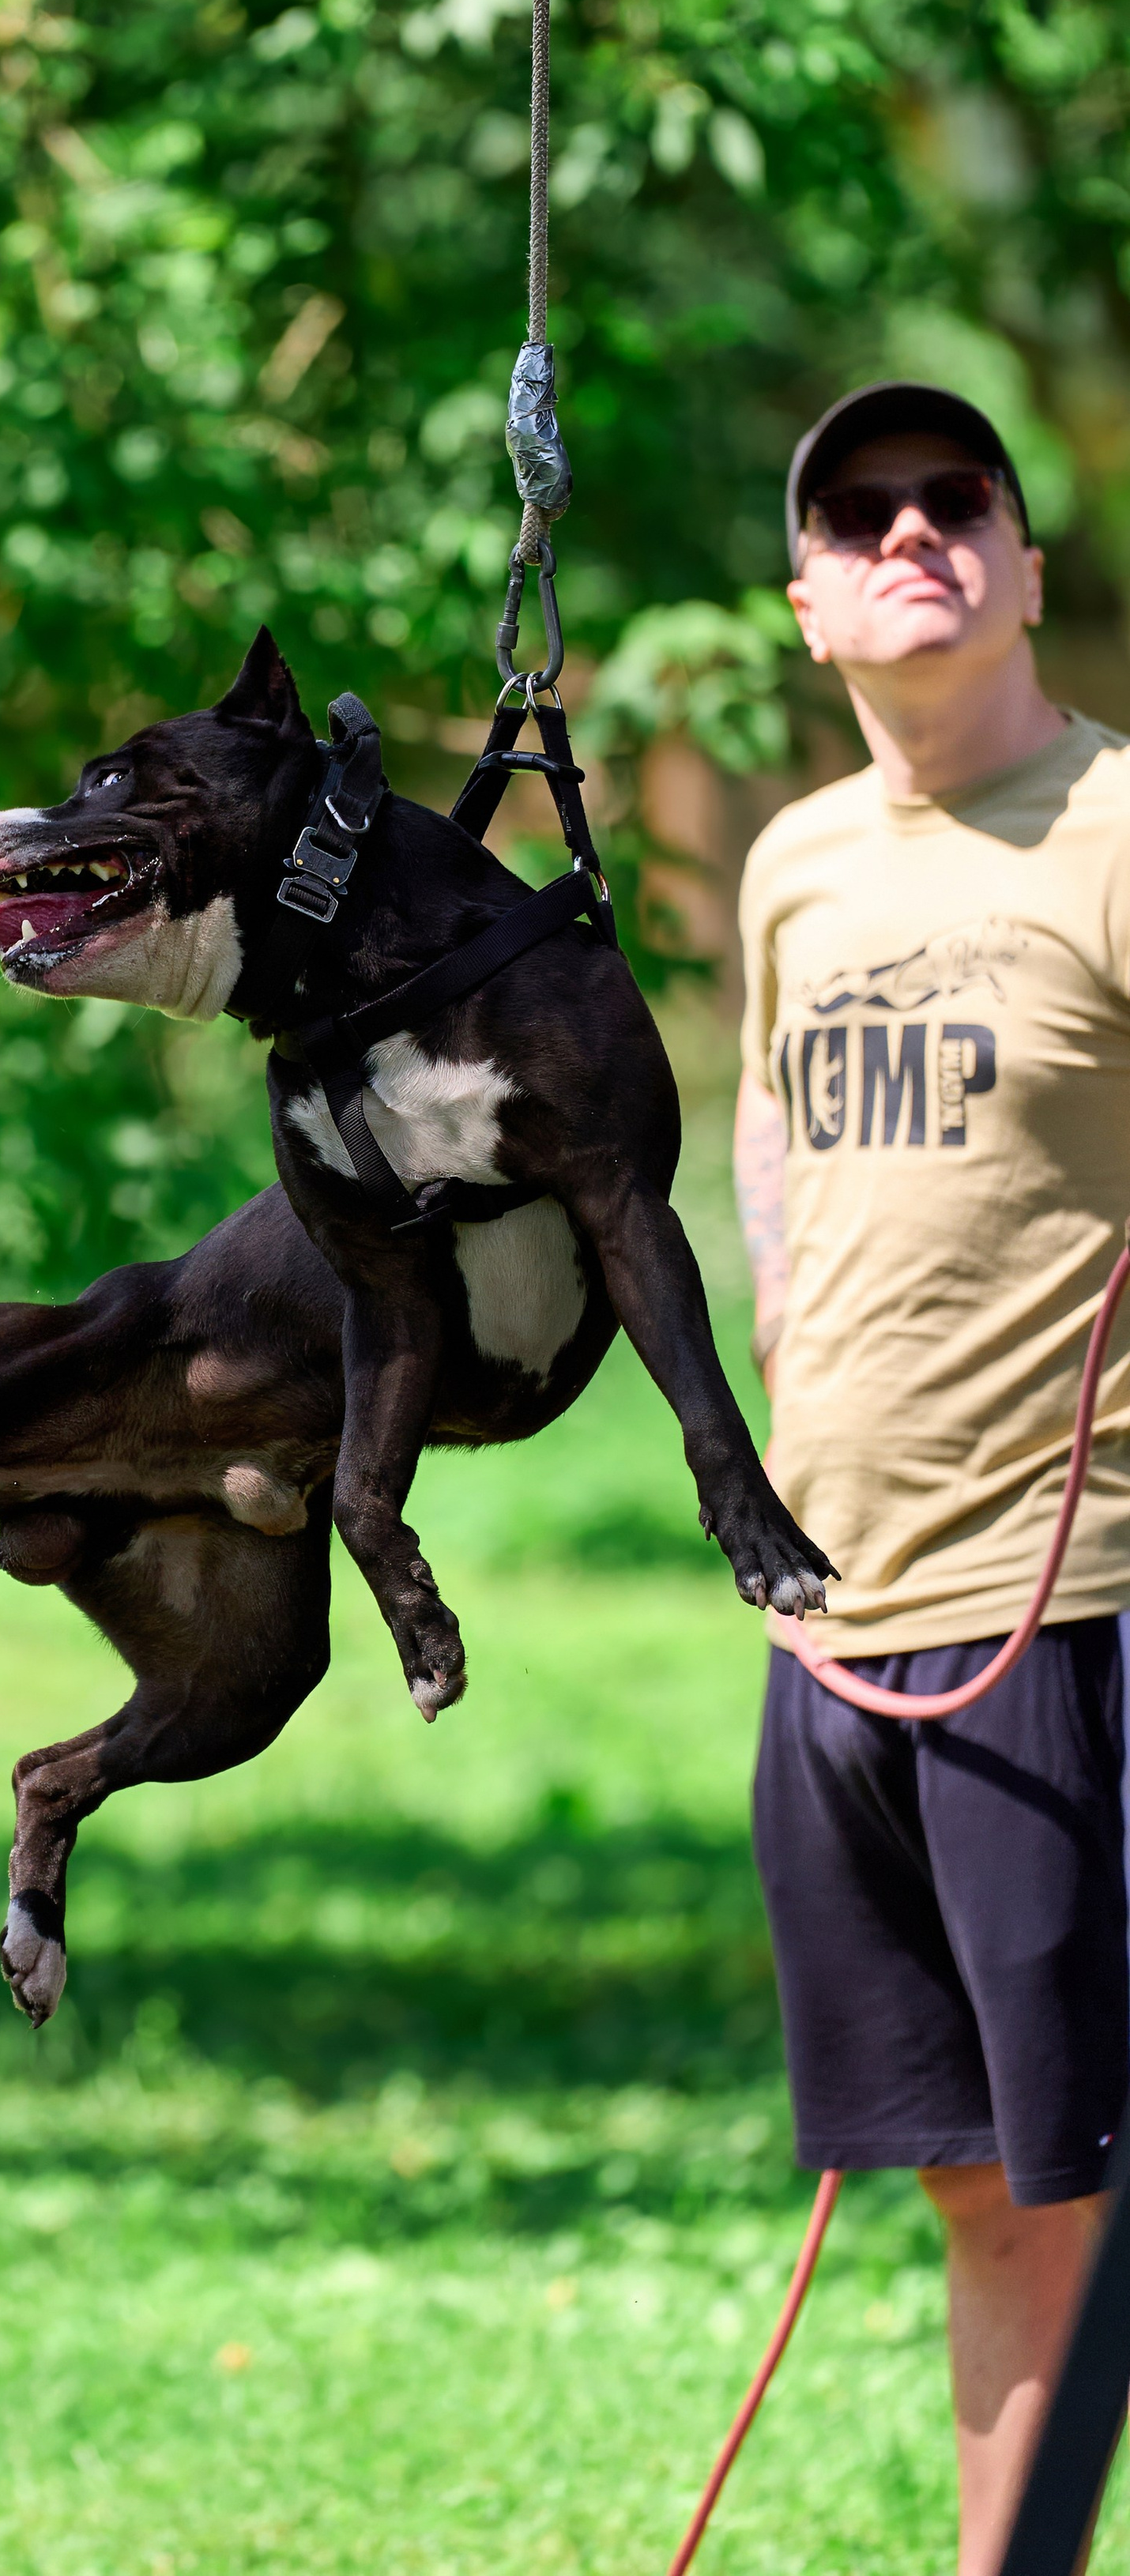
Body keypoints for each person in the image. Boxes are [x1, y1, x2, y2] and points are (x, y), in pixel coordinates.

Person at [734, 380, 1130, 2576]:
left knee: (1086, 2174)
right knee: (975, 2173)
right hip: (845, 1626)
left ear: (1023, 566)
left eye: (953, 500)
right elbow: (777, 1129)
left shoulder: (1114, 830)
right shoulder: (795, 862)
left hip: (1072, 1611)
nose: (912, 533)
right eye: (858, 514)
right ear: (806, 604)